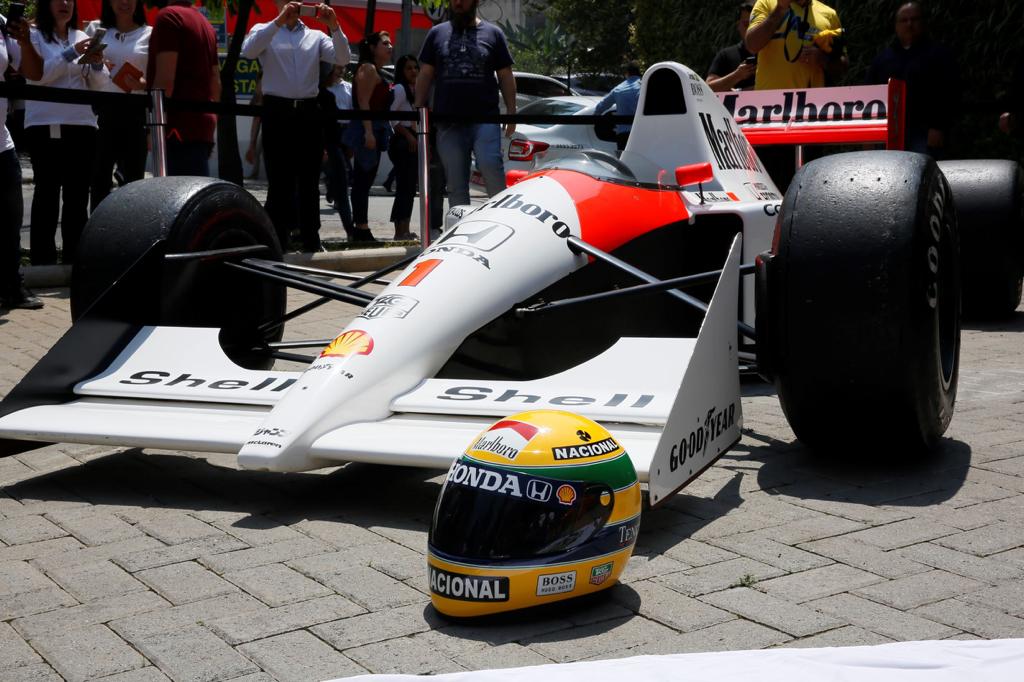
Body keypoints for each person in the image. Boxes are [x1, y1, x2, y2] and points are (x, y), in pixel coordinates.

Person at [241, 1, 350, 252]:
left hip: (308, 111)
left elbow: (342, 57)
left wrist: (334, 26)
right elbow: (249, 51)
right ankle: (278, 240)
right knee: (279, 180)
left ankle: (311, 238)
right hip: (277, 111)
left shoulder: (315, 35)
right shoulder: (265, 29)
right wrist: (279, 20)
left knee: (309, 179)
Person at [15, 0, 110, 266]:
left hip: (84, 125)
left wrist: (97, 64)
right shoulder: (34, 35)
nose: (65, 4)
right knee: (47, 194)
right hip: (46, 124)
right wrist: (70, 53)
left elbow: (100, 84)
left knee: (77, 197)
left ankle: (74, 263)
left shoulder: (81, 36)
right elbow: (38, 76)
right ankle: (42, 263)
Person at [415, 0, 516, 209]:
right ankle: (460, 225)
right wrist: (418, 110)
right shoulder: (436, 33)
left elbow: (505, 74)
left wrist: (512, 111)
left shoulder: (494, 33)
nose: (458, 3)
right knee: (455, 184)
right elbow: (425, 73)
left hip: (485, 118)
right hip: (448, 121)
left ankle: (501, 219)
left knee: (491, 166)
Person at [866, 2, 959, 158]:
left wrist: (938, 127)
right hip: (889, 136)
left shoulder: (939, 55)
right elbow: (870, 95)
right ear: (896, 26)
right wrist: (869, 135)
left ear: (923, 22)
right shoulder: (882, 59)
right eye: (904, 20)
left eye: (914, 19)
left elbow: (950, 92)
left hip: (925, 134)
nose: (909, 24)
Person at [89, 0, 150, 210]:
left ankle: (129, 227)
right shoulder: (96, 30)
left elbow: (159, 78)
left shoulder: (149, 34)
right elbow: (82, 70)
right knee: (99, 180)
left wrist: (143, 84)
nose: (125, 2)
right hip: (101, 112)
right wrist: (97, 64)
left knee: (133, 183)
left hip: (136, 113)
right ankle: (97, 227)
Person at [147, 0, 219, 176]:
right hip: (202, 125)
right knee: (197, 189)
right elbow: (216, 82)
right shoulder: (206, 23)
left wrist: (153, 129)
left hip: (176, 126)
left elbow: (165, 82)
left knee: (174, 191)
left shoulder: (169, 16)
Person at [0, 11, 42, 309]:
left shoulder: (2, 24)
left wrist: (25, 41)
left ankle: (11, 287)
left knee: (9, 222)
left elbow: (33, 72)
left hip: (1, 144)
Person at [342, 31, 393, 243]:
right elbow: (363, 102)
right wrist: (369, 132)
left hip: (376, 129)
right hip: (367, 130)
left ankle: (360, 227)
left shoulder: (375, 70)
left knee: (367, 178)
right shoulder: (368, 68)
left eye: (390, 44)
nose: (390, 47)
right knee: (363, 179)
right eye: (385, 43)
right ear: (372, 47)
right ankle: (361, 229)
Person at [745, 0, 847, 90]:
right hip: (770, 100)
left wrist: (822, 59)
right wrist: (780, 9)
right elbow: (752, 45)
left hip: (810, 102)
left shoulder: (830, 14)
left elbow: (843, 68)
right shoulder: (766, 3)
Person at [319, 63, 355, 236]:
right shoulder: (319, 92)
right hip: (326, 137)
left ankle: (350, 229)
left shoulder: (347, 88)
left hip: (342, 133)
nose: (340, 70)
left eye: (342, 67)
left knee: (343, 176)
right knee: (339, 174)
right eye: (336, 67)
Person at [389, 54, 419, 241]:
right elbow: (392, 117)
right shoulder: (399, 89)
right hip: (402, 140)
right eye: (409, 68)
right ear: (401, 71)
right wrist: (408, 136)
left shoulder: (417, 88)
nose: (413, 71)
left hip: (413, 138)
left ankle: (405, 230)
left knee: (409, 188)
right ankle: (399, 231)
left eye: (415, 67)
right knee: (404, 187)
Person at [707, 2, 757, 92]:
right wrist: (737, 75)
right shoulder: (726, 55)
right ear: (738, 26)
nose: (751, 29)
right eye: (746, 24)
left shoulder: (774, 53)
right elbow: (709, 88)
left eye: (756, 24)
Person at [595, 61, 642, 151]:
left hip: (623, 136)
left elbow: (600, 107)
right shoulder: (644, 86)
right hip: (642, 133)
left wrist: (594, 118)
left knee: (623, 159)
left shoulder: (618, 89)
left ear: (627, 73)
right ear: (639, 72)